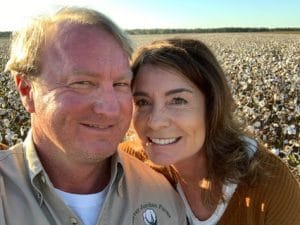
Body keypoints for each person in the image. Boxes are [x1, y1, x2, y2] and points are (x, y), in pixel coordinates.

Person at [1, 7, 187, 225]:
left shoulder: (163, 196)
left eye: (120, 84)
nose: (109, 109)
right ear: (27, 91)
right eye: (82, 83)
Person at [125, 38, 300, 225]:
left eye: (178, 101)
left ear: (212, 107)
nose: (155, 122)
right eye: (142, 102)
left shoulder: (270, 186)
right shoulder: (128, 164)